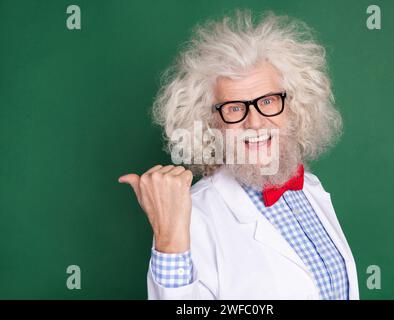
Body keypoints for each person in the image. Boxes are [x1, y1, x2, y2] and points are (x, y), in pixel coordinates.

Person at [119, 10, 359, 300]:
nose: (255, 123)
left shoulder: (309, 188)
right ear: (210, 124)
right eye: (234, 108)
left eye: (268, 101)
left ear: (294, 107)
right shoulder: (194, 214)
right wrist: (169, 237)